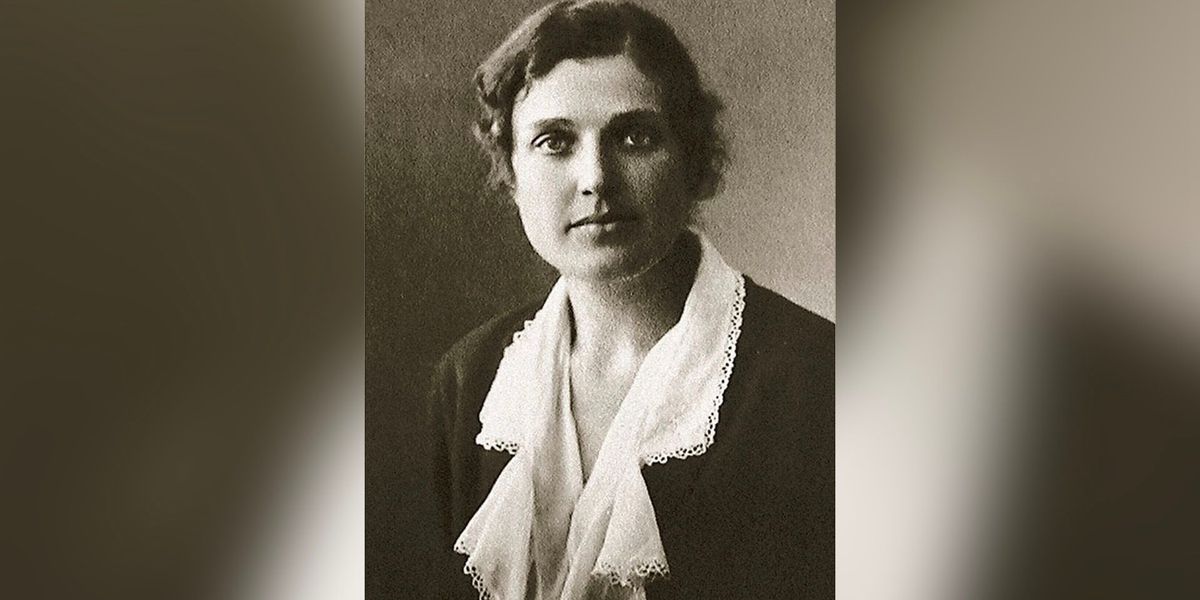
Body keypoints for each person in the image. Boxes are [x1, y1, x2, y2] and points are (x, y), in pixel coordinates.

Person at [426, 1, 833, 598]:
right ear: (511, 172)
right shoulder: (474, 378)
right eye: (555, 141)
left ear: (692, 161)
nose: (595, 177)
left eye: (635, 137)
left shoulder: (818, 377)